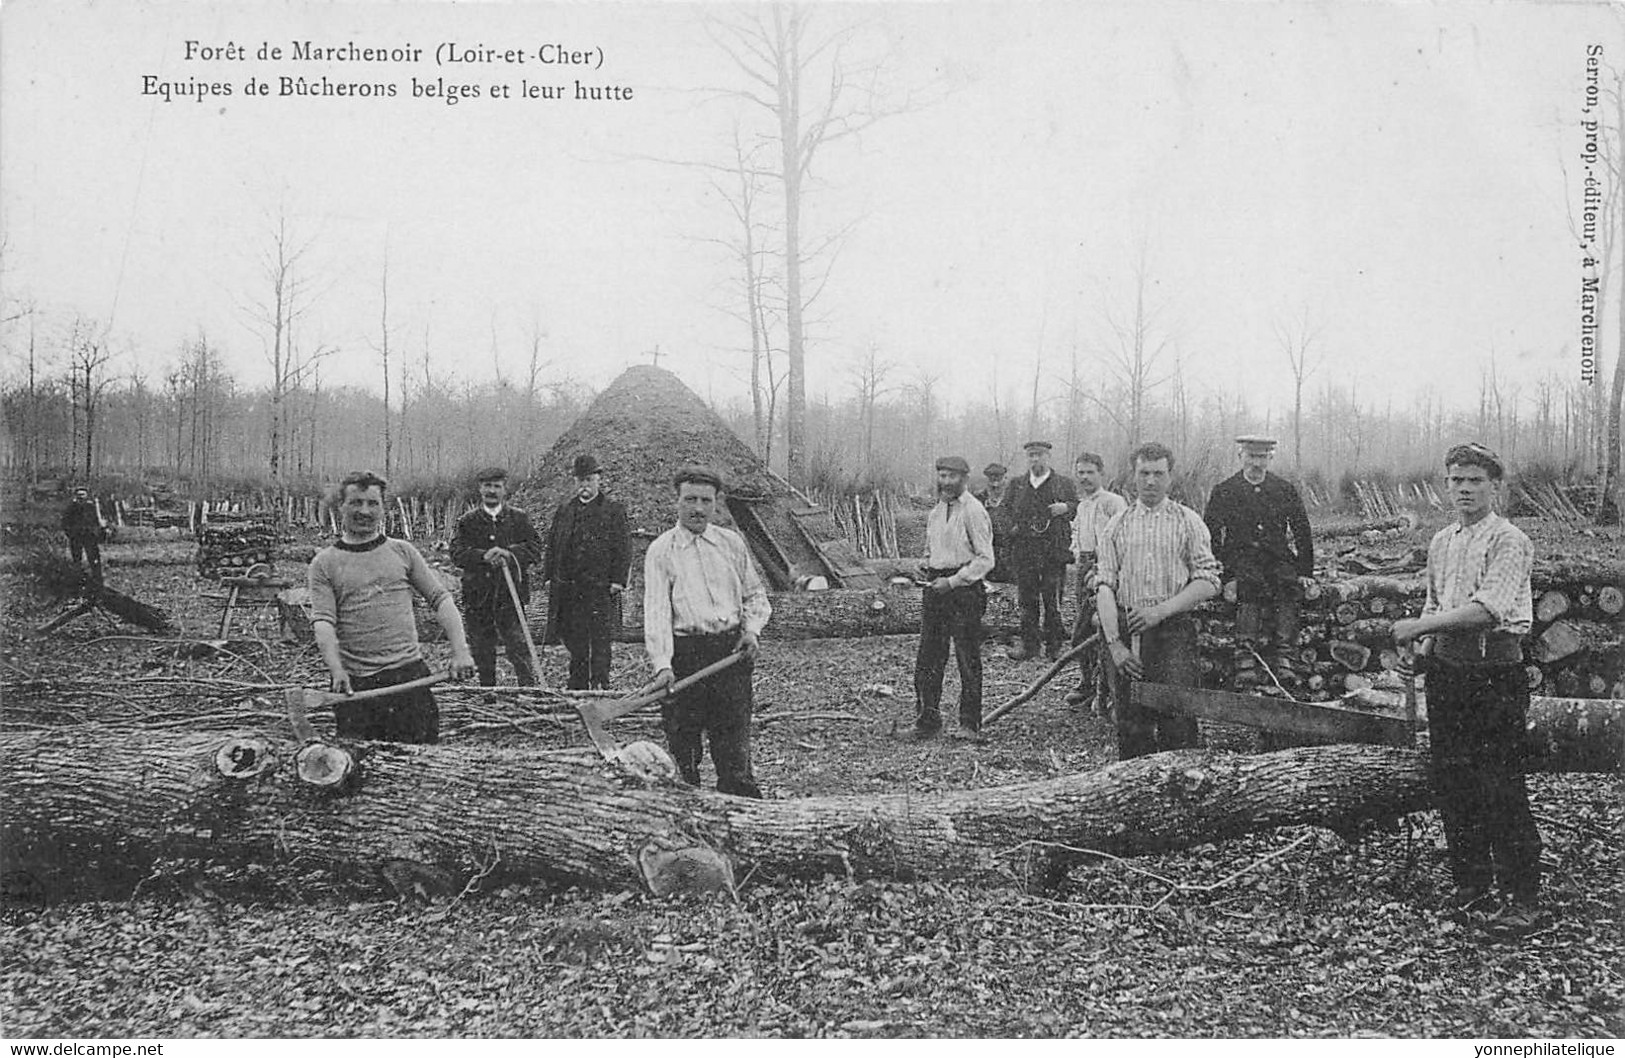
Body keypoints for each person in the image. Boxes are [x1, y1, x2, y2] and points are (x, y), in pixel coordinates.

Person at [1392, 443, 1542, 923]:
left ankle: (1522, 899)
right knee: (1454, 783)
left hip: (1494, 674)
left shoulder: (1509, 539)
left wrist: (1419, 630)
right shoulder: (1442, 542)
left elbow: (1487, 610)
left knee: (1500, 783)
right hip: (1448, 677)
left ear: (1495, 486)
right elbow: (1436, 608)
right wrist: (1422, 652)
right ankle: (1471, 885)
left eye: (1475, 480)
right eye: (1456, 480)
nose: (1464, 489)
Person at [309, 470, 476, 743]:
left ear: (383, 508)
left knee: (419, 764)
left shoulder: (402, 551)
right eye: (356, 502)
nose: (365, 511)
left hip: (408, 677)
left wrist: (460, 651)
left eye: (372, 503)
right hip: (357, 685)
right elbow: (324, 622)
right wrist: (336, 669)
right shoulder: (324, 563)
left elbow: (441, 599)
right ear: (341, 507)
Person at [644, 467, 771, 797]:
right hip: (686, 656)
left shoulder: (731, 544)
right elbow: (656, 612)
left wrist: (752, 631)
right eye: (690, 500)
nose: (698, 509)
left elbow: (755, 595)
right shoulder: (661, 550)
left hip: (730, 654)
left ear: (717, 504)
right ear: (677, 502)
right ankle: (689, 810)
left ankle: (744, 811)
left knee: (733, 745)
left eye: (705, 501)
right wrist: (662, 664)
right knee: (684, 746)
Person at [1095, 442, 1222, 760]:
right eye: (1144, 473)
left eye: (1158, 474)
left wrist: (1160, 612)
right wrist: (1115, 646)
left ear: (1170, 477)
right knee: (1131, 723)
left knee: (1177, 718)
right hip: (1127, 631)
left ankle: (1183, 794)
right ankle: (1136, 796)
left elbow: (1208, 581)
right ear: (1133, 476)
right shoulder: (1117, 525)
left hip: (1172, 632)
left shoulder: (1187, 521)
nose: (1150, 481)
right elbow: (1105, 586)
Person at [1204, 435, 1315, 696]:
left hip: (1277, 558)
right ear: (1241, 456)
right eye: (1252, 456)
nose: (1257, 463)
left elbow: (1302, 530)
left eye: (1263, 457)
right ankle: (1245, 657)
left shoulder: (1283, 489)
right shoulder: (1225, 490)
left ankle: (1285, 657)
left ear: (1271, 458)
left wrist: (1305, 571)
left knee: (1288, 585)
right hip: (1240, 559)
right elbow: (1210, 535)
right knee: (1249, 586)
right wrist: (1225, 573)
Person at [913, 455, 996, 741]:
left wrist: (953, 582)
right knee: (929, 656)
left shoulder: (973, 510)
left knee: (967, 658)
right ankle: (927, 720)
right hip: (935, 588)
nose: (946, 482)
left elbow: (986, 560)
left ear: (965, 478)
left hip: (964, 592)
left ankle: (970, 724)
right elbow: (930, 549)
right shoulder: (936, 511)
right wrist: (924, 563)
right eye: (942, 476)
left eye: (951, 477)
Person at [451, 466, 545, 688]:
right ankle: (488, 695)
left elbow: (535, 549)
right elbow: (457, 553)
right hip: (478, 598)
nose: (491, 491)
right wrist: (483, 556)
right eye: (487, 486)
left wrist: (509, 554)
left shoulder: (519, 519)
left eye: (496, 486)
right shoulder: (468, 521)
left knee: (519, 647)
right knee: (482, 650)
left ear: (505, 489)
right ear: (479, 489)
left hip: (510, 598)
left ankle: (529, 694)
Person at [544, 454, 631, 690]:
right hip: (571, 588)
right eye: (581, 481)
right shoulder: (565, 511)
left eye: (590, 480)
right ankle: (578, 681)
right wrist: (550, 575)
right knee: (574, 637)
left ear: (598, 480)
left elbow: (623, 547)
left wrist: (618, 580)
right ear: (575, 482)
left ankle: (601, 681)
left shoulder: (612, 510)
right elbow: (553, 544)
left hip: (600, 588)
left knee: (601, 638)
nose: (585, 486)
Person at [1001, 440, 1078, 660]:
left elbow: (1078, 507)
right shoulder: (1017, 484)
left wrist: (1066, 508)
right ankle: (1030, 646)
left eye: (1040, 455)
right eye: (1031, 455)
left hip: (1053, 550)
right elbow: (1003, 513)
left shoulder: (1063, 484)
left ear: (1048, 457)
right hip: (1024, 550)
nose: (1035, 459)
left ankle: (1054, 646)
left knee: (1052, 600)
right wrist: (1013, 528)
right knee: (1026, 599)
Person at [1064, 452, 1127, 710]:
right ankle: (1087, 682)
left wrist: (1102, 567)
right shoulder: (1083, 504)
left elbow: (1122, 539)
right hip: (1085, 567)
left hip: (1105, 567)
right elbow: (1078, 535)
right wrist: (1079, 557)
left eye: (1090, 472)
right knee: (1082, 629)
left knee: (1097, 628)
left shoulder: (1112, 502)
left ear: (1101, 473)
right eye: (1081, 472)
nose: (1085, 477)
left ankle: (1106, 689)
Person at [975, 462, 1015, 585]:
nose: (995, 484)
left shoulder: (1014, 497)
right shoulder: (979, 499)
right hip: (988, 548)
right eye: (991, 480)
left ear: (1005, 479)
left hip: (1010, 549)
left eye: (999, 480)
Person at [61, 486, 103, 584]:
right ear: (76, 496)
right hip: (76, 537)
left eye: (83, 495)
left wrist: (95, 532)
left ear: (87, 495)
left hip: (90, 536)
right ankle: (78, 579)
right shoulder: (71, 508)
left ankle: (97, 579)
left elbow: (96, 521)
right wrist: (70, 534)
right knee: (77, 559)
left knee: (94, 558)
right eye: (79, 495)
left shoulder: (91, 507)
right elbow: (65, 522)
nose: (81, 497)